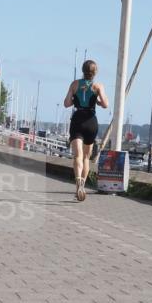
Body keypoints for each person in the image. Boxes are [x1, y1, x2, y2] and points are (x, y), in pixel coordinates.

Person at [64, 59, 108, 201]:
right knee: (86, 157)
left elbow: (66, 103)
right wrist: (97, 101)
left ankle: (78, 183)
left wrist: (75, 99)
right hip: (91, 121)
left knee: (77, 156)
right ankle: (83, 182)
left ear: (83, 71)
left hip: (77, 120)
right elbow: (106, 104)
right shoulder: (98, 86)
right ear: (95, 72)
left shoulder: (75, 84)